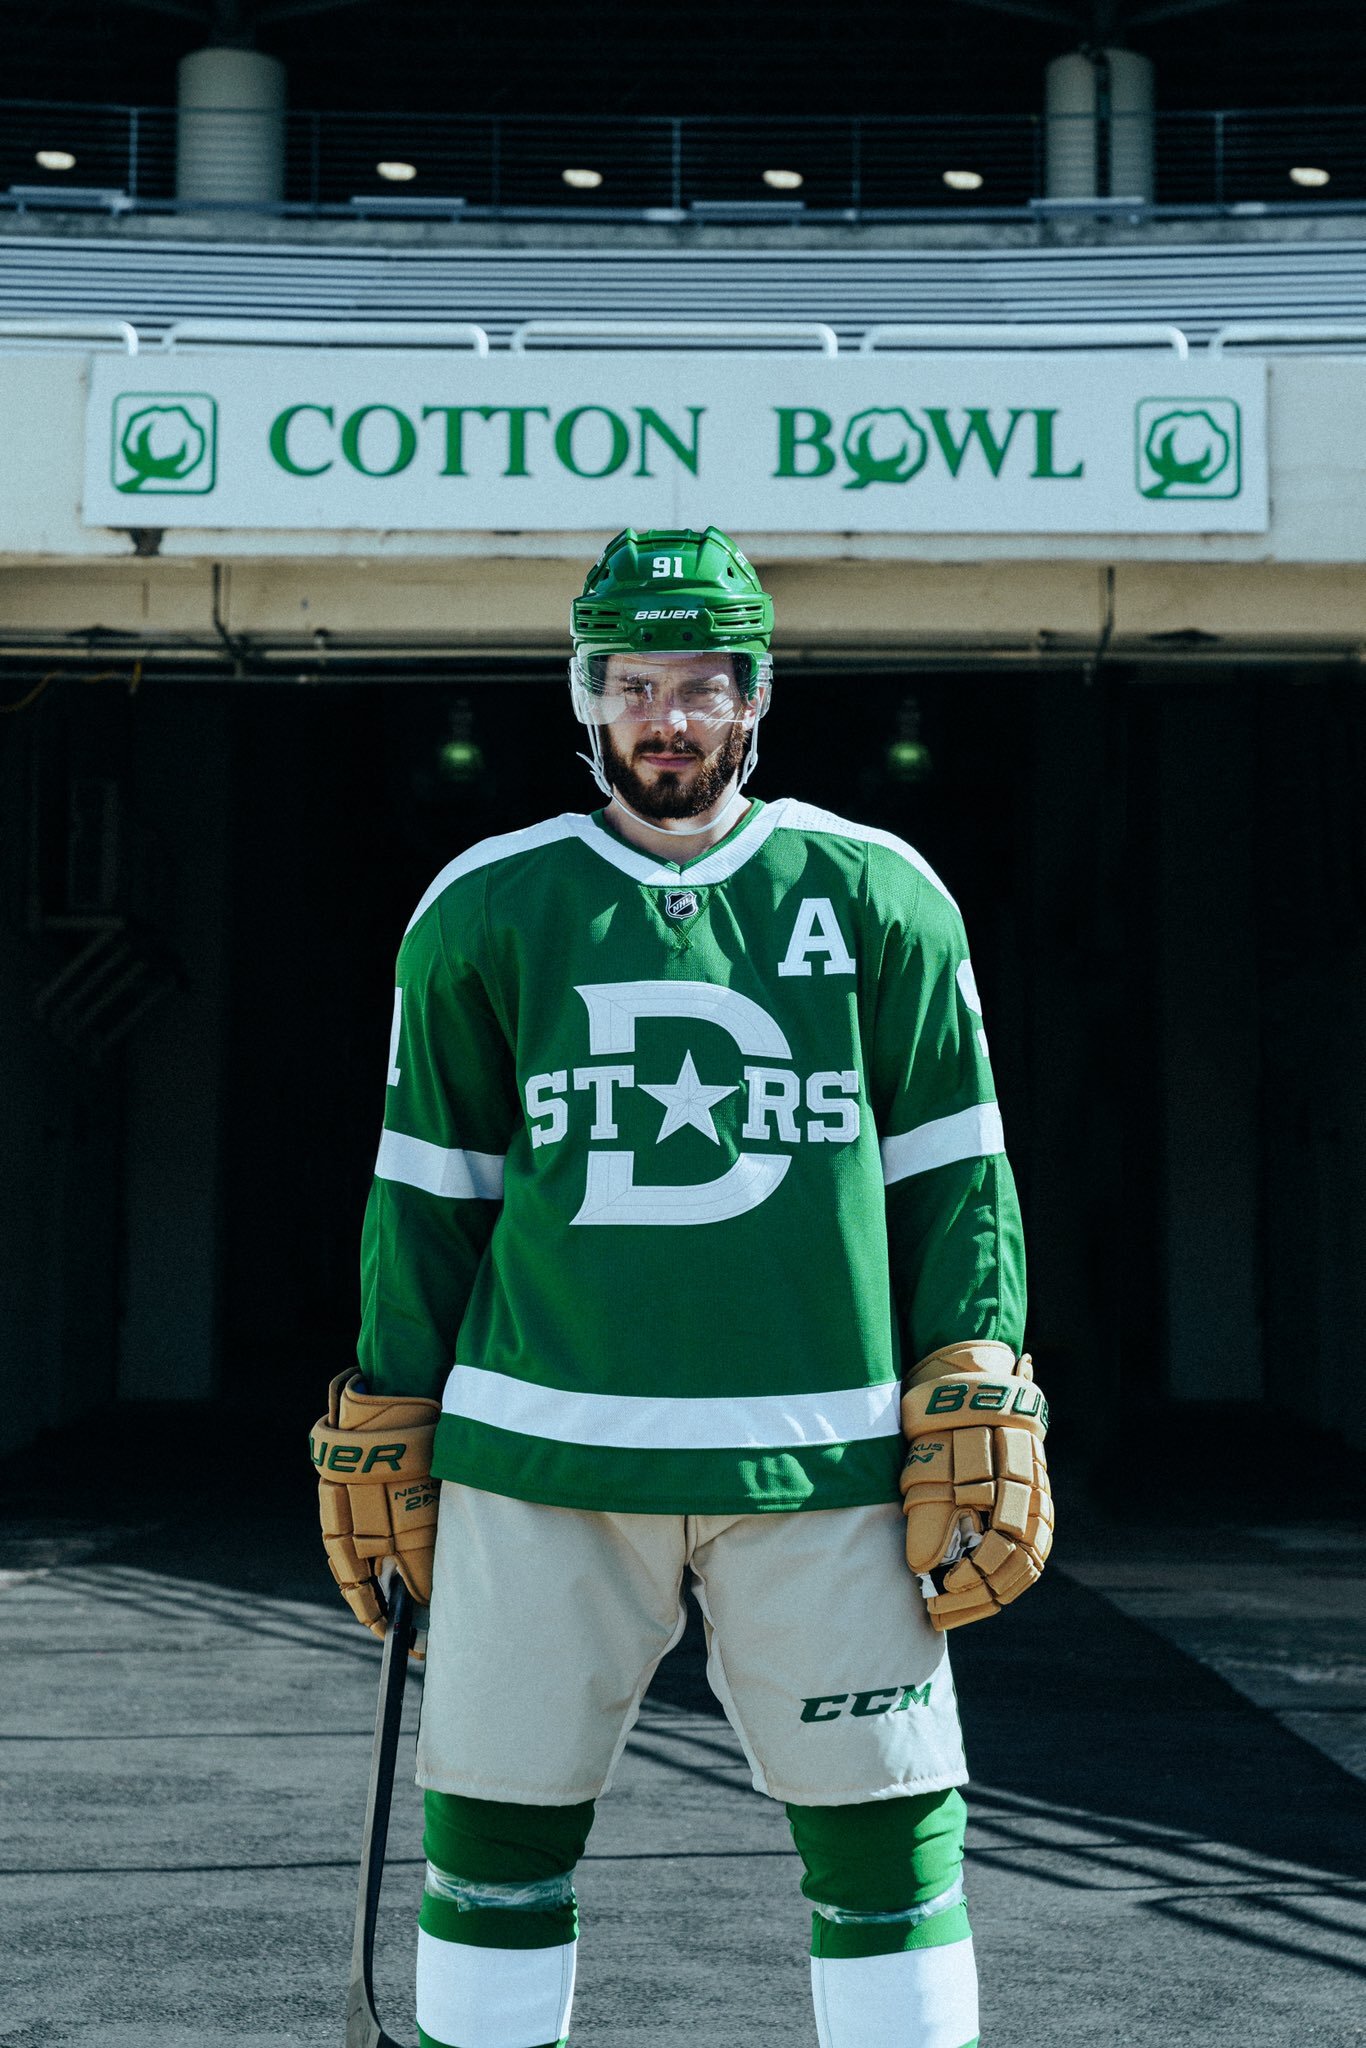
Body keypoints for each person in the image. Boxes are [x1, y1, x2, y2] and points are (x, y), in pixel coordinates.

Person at [311, 526, 1053, 2048]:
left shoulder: (877, 892)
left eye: (701, 686)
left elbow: (953, 1172)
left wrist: (975, 1360)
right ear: (585, 697)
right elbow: (425, 1191)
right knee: (496, 1845)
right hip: (540, 1459)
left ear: (755, 698)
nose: (668, 718)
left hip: (827, 1463)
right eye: (635, 683)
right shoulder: (485, 904)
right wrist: (393, 1395)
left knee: (888, 1843)